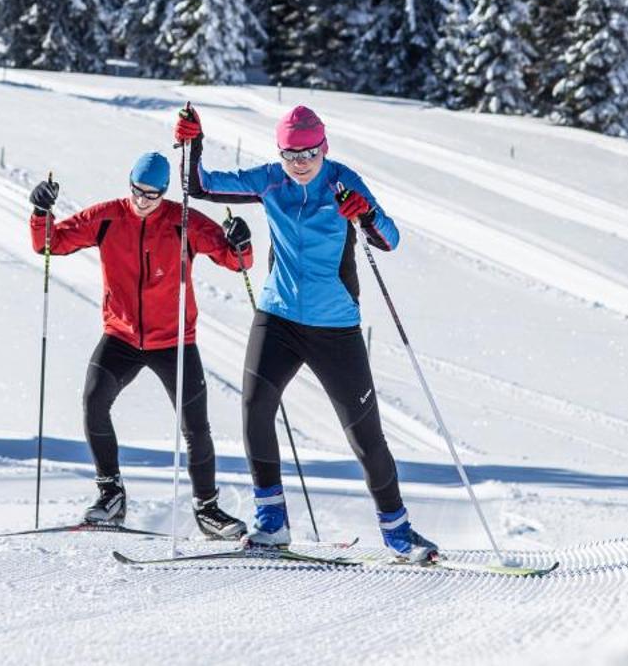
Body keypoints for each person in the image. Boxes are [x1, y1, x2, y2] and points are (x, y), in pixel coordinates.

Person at [176, 102, 439, 563]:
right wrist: (191, 144)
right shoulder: (270, 181)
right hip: (277, 316)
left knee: (364, 435)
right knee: (256, 407)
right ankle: (272, 523)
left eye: (308, 155)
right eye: (291, 155)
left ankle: (399, 532)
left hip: (335, 326)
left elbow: (390, 239)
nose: (300, 164)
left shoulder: (342, 182)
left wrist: (365, 216)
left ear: (324, 149)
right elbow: (198, 185)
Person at [28, 152, 252, 538]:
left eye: (152, 194)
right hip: (122, 336)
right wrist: (39, 211)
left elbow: (235, 261)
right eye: (137, 191)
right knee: (94, 402)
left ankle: (207, 510)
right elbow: (51, 244)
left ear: (164, 192)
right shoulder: (107, 216)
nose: (143, 200)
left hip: (175, 340)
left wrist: (240, 241)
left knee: (195, 427)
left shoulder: (182, 222)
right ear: (128, 183)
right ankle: (111, 495)